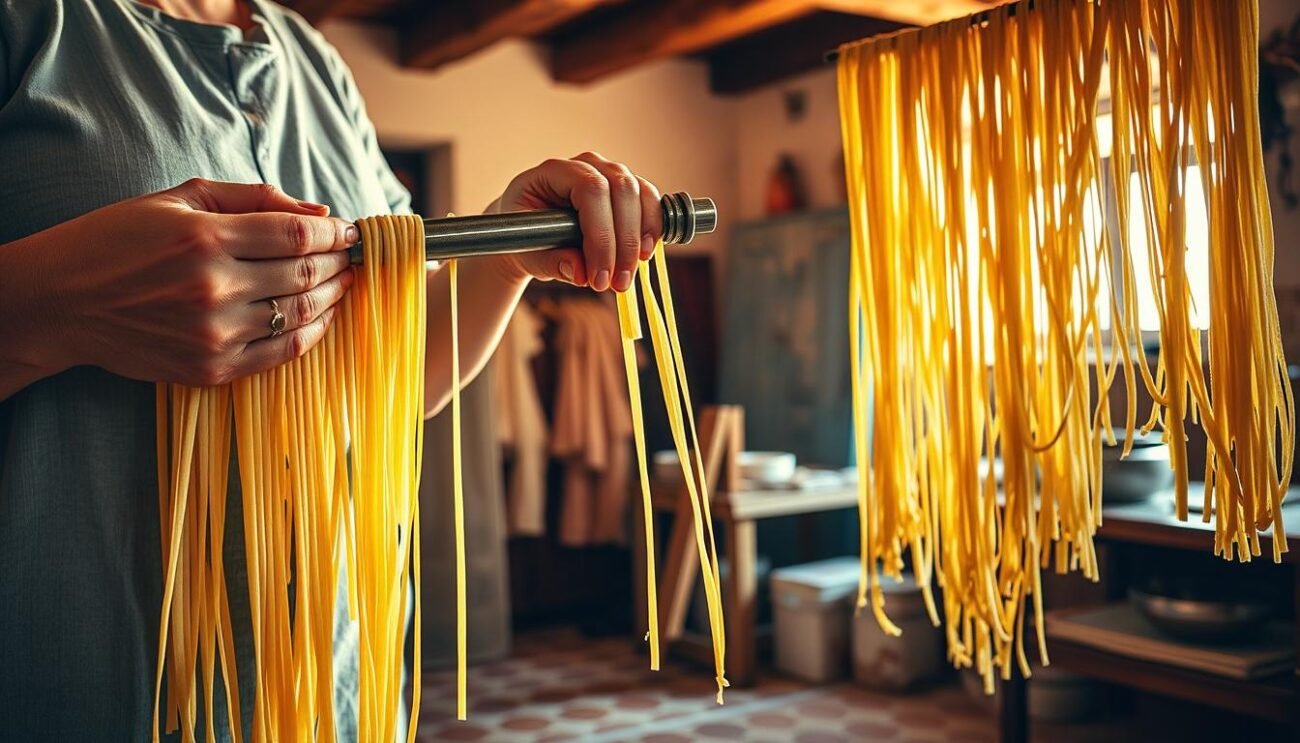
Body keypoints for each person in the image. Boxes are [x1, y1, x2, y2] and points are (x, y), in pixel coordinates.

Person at [0, 0, 663, 739]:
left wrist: (506, 256)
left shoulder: (316, 62)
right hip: (78, 692)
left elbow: (398, 373)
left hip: (330, 693)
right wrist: (61, 301)